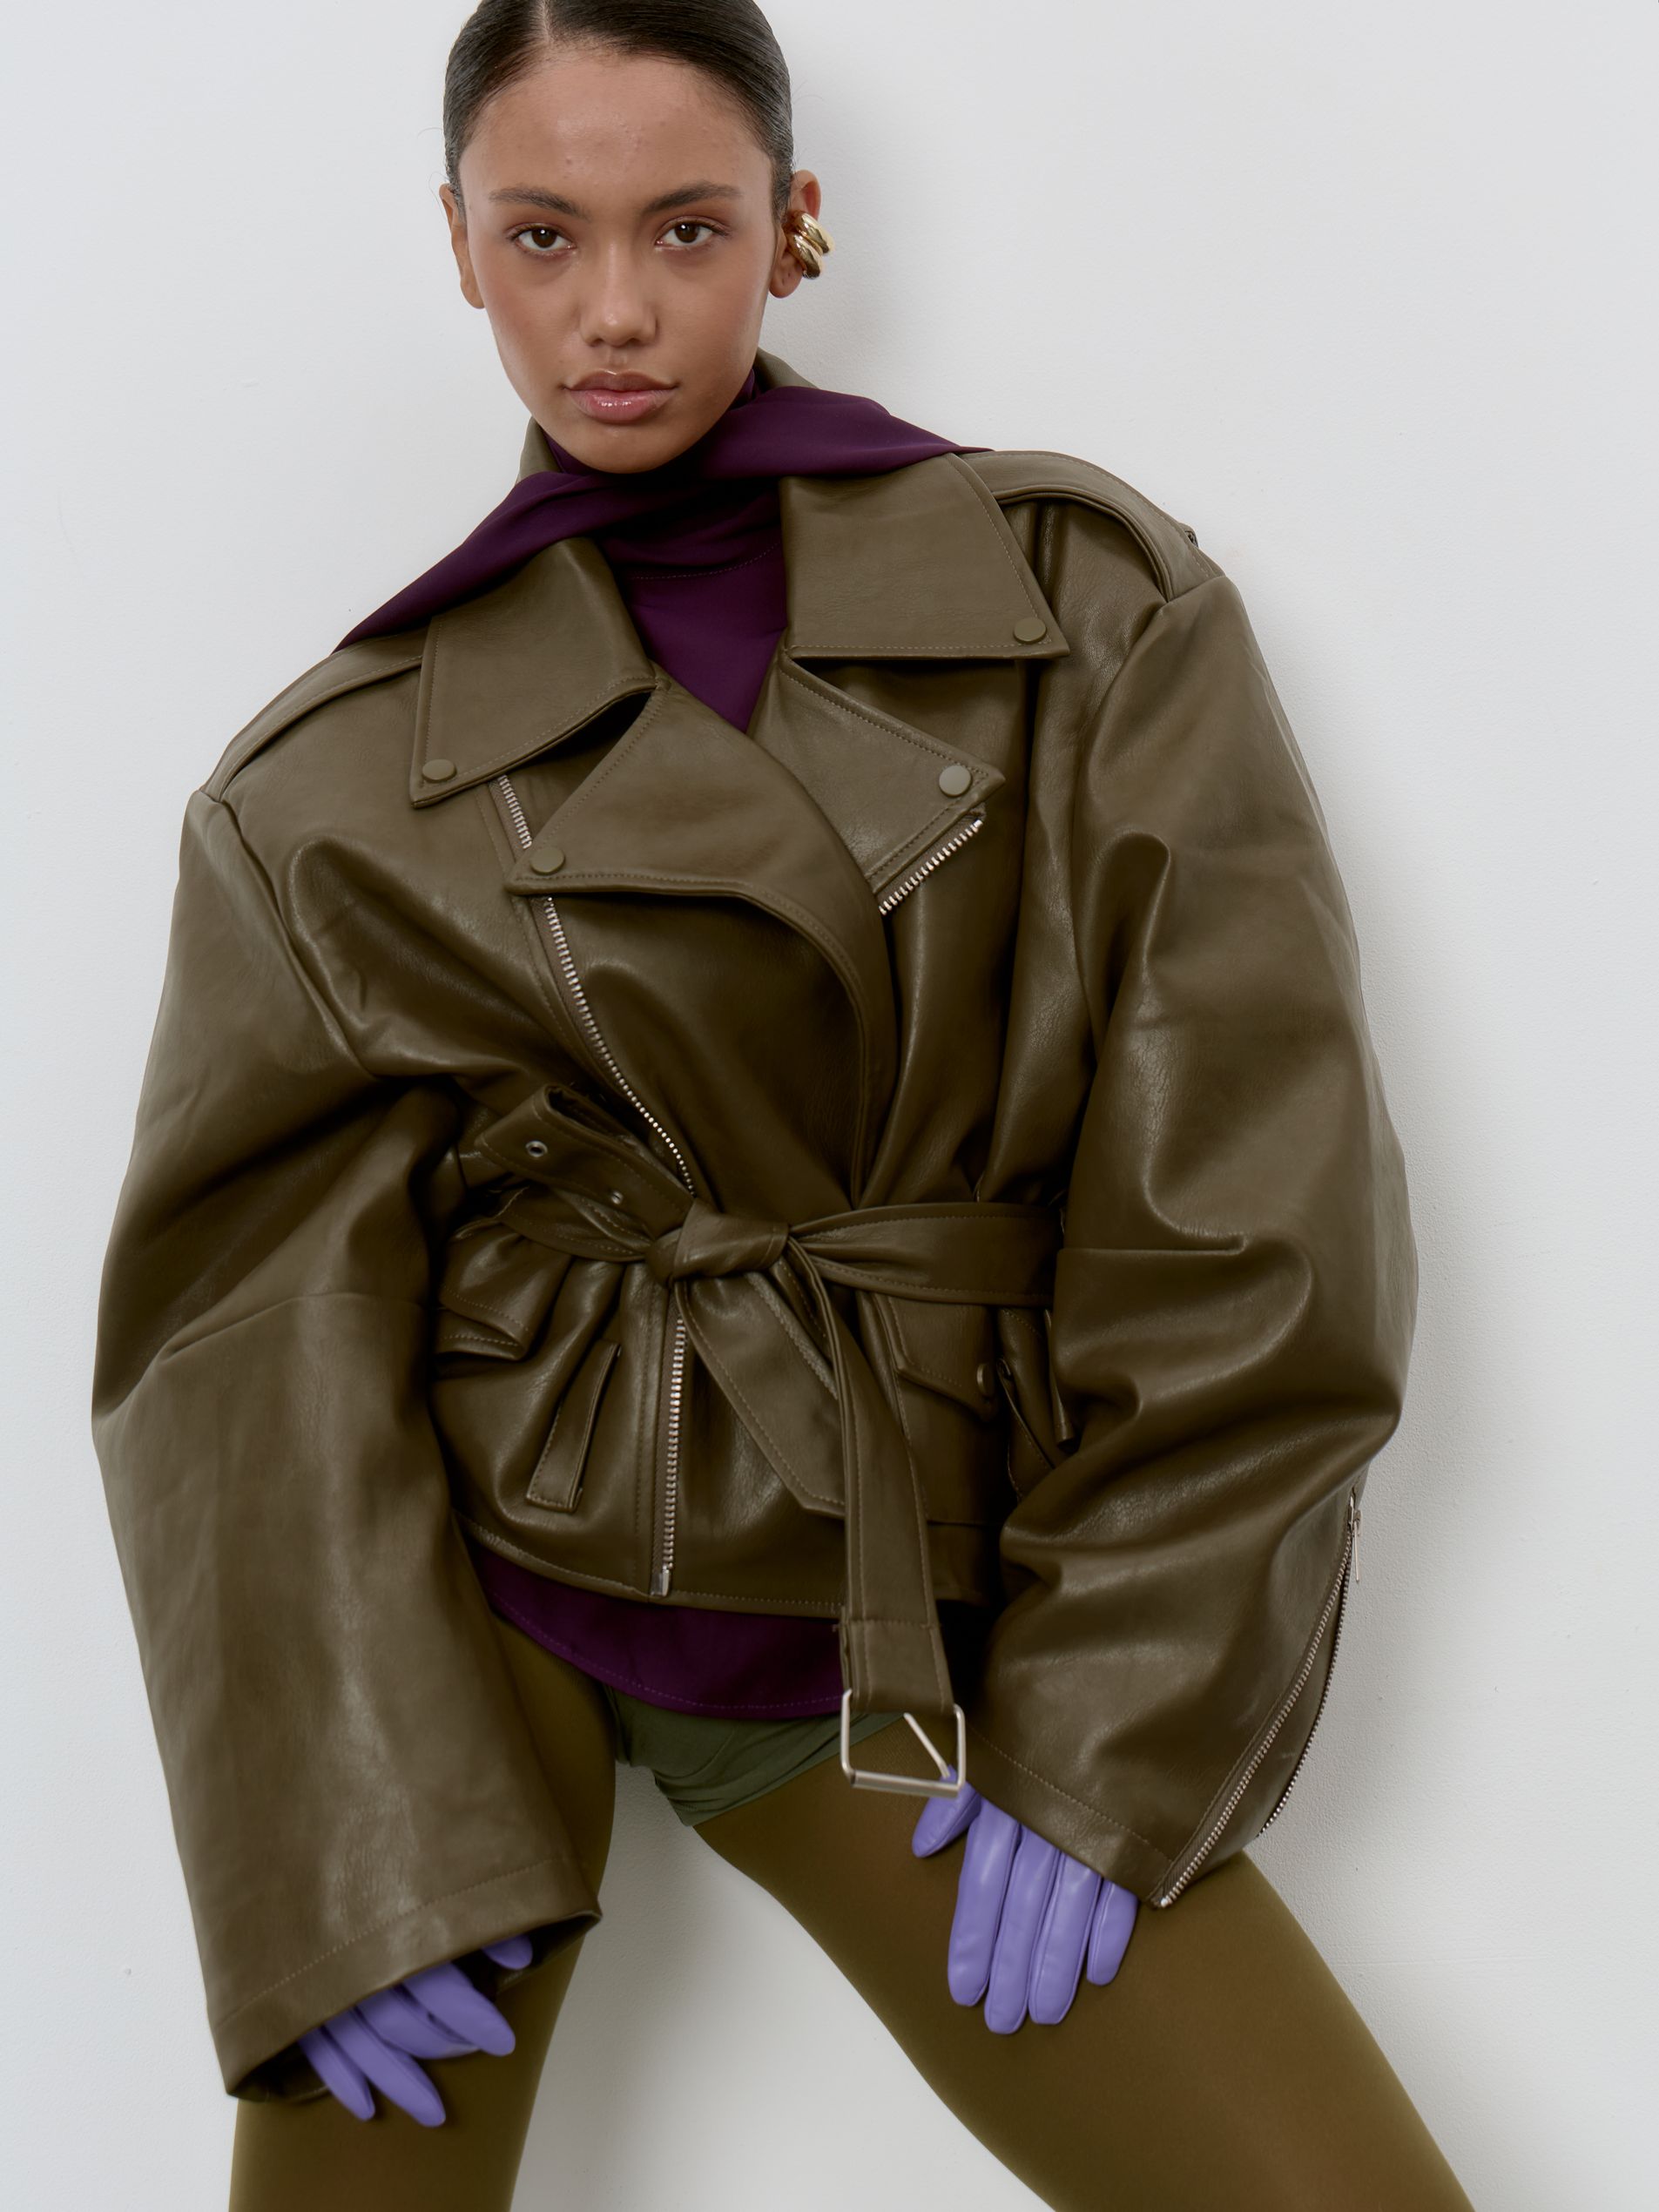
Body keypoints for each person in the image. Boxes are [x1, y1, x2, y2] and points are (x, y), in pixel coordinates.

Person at [88, 4, 1476, 2208]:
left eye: (683, 227)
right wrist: (332, 1838)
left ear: (791, 223)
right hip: (474, 1601)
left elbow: (1247, 1193)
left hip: (888, 1598)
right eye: (541, 234)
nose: (612, 312)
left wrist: (1114, 1715)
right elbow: (241, 1341)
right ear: (456, 244)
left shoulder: (1081, 603)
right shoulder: (325, 783)